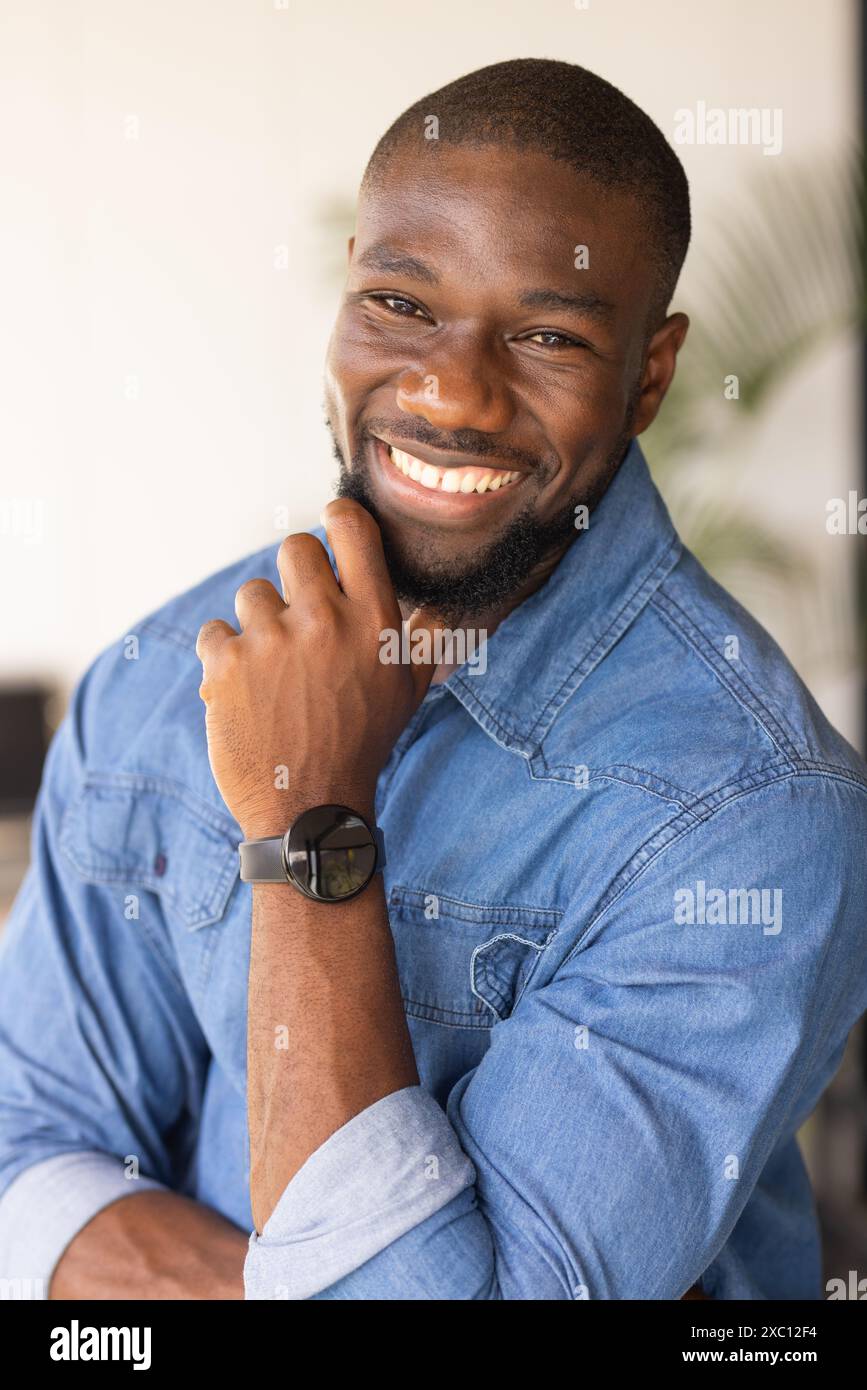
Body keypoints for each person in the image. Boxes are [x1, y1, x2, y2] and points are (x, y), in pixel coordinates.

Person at [1, 58, 865, 1301]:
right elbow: (23, 1154)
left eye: (549, 334)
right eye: (401, 304)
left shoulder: (756, 817)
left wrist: (310, 819)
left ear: (652, 375)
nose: (451, 389)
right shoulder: (160, 674)